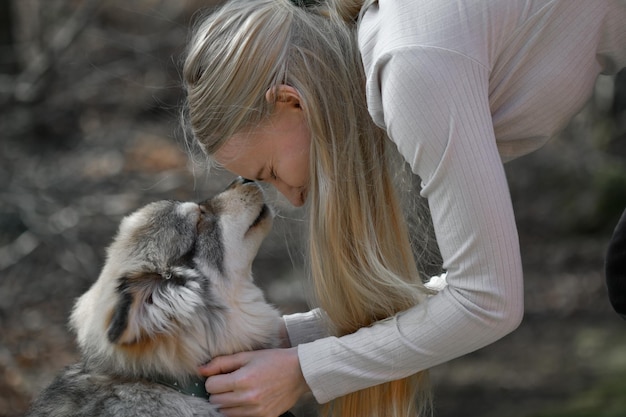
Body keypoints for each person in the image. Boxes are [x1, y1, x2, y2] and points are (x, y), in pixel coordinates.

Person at [182, 1, 626, 416]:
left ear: (291, 101)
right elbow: (470, 291)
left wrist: (305, 370)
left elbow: (488, 302)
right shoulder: (397, 53)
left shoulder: (413, 69)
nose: (293, 198)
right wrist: (290, 339)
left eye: (272, 170)